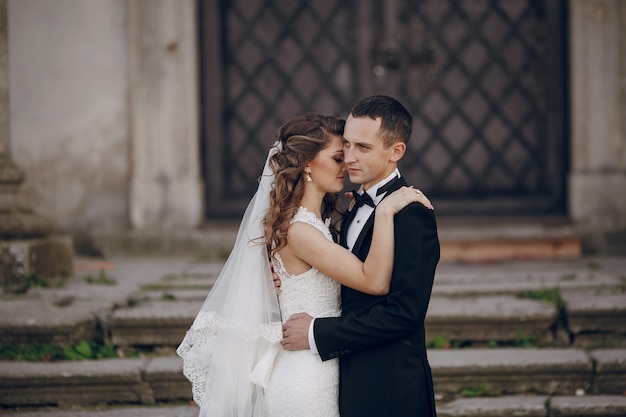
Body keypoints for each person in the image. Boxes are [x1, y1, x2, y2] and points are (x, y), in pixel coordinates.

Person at [177, 112, 432, 417]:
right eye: (339, 155)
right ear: (308, 164)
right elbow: (374, 282)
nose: (348, 162)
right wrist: (386, 212)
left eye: (355, 149)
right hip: (308, 377)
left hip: (330, 369)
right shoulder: (300, 231)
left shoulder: (323, 222)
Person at [281, 96, 440, 417]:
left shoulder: (410, 215)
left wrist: (316, 332)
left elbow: (403, 314)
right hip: (342, 378)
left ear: (396, 152)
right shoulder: (353, 206)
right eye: (347, 146)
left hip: (390, 388)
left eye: (363, 148)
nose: (350, 158)